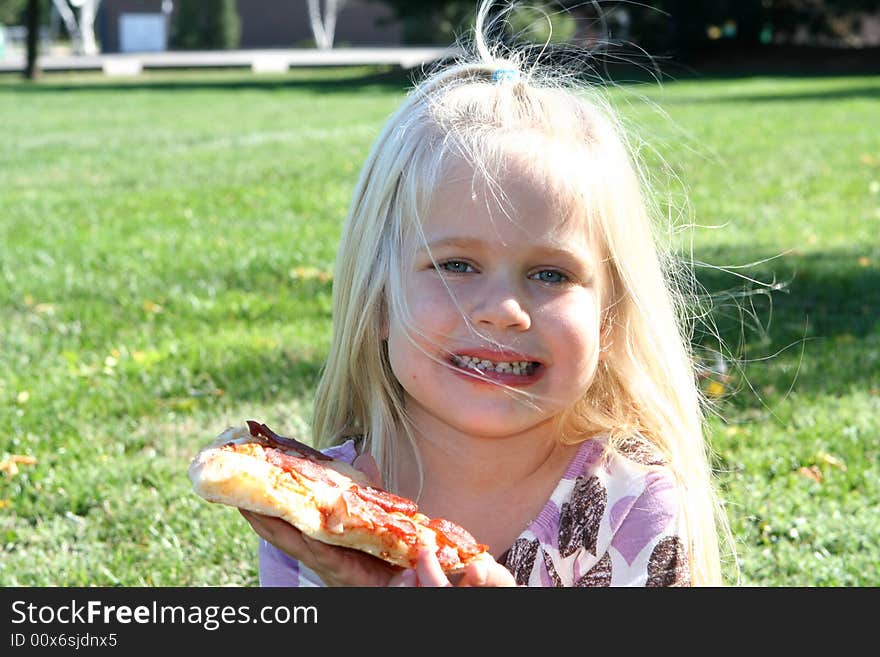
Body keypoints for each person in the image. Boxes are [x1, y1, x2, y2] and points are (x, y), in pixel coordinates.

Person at [240, 0, 734, 587]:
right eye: (456, 264)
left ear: (609, 318)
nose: (503, 311)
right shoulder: (318, 506)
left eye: (551, 274)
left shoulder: (630, 504)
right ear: (378, 301)